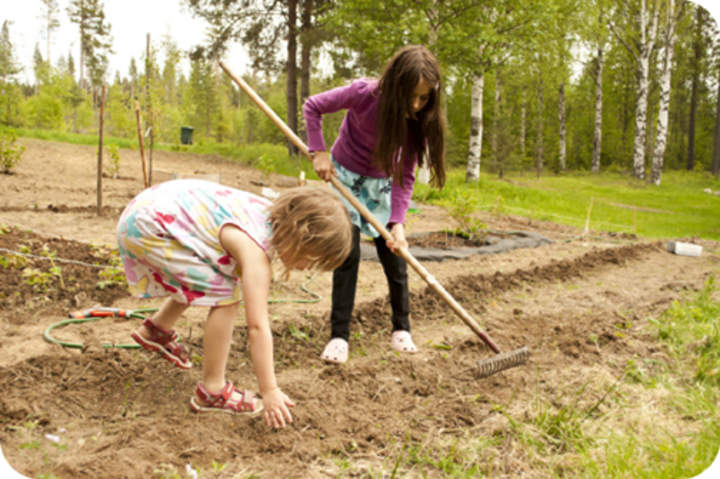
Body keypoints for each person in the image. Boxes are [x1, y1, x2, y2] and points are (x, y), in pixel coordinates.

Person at [116, 179, 352, 428]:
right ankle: (212, 391)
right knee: (226, 297)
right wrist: (269, 389)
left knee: (215, 271)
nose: (307, 269)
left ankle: (157, 329)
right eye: (312, 260)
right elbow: (257, 326)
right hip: (150, 228)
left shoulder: (262, 212)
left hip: (146, 209)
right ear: (302, 237)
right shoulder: (255, 252)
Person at [303, 45, 447, 364]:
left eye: (423, 98)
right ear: (394, 84)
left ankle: (402, 329)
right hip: (344, 177)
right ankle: (339, 337)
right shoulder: (363, 94)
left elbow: (406, 175)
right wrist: (319, 152)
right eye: (410, 95)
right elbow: (313, 107)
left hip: (381, 185)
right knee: (348, 254)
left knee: (394, 255)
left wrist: (398, 222)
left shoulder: (418, 120)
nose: (415, 104)